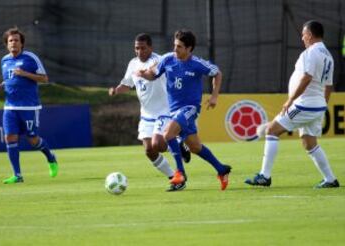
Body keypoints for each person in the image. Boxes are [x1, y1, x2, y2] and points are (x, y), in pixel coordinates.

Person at [245, 20, 340, 188]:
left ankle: (264, 176)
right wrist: (323, 105)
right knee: (309, 143)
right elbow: (329, 85)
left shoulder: (311, 53)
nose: (302, 38)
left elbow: (306, 77)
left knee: (271, 130)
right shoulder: (328, 56)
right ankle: (330, 179)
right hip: (317, 105)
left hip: (304, 104)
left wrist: (290, 99)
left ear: (310, 35)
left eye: (303, 35)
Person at [137, 29, 232, 191]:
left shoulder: (197, 64)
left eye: (179, 47)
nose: (175, 49)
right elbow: (154, 74)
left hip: (190, 109)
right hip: (174, 111)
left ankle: (179, 173)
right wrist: (144, 74)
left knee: (167, 134)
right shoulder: (168, 59)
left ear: (189, 49)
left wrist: (215, 96)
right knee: (195, 147)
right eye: (175, 45)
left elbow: (217, 73)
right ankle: (221, 169)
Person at [108, 33, 190, 192]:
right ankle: (175, 178)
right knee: (149, 151)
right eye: (136, 48)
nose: (139, 51)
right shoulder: (132, 64)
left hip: (164, 110)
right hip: (146, 114)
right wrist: (116, 90)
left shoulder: (159, 61)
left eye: (143, 48)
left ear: (150, 48)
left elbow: (174, 73)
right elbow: (127, 83)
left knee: (158, 144)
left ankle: (179, 145)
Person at [0, 27, 58, 184]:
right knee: (9, 137)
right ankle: (18, 175)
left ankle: (51, 157)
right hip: (10, 107)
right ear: (7, 45)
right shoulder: (5, 60)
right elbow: (9, 79)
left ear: (22, 44)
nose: (13, 43)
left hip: (29, 107)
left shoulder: (30, 58)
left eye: (16, 40)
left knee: (33, 139)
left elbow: (44, 78)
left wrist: (25, 74)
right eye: (10, 41)